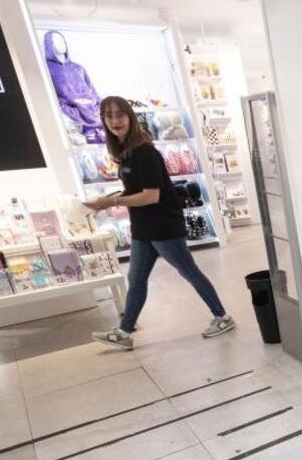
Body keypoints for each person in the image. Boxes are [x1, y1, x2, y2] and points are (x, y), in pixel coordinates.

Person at [85, 96, 235, 350]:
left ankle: (223, 317)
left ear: (130, 117)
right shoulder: (126, 152)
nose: (115, 121)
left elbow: (151, 195)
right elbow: (137, 189)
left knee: (189, 272)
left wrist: (110, 203)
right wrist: (108, 200)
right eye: (109, 116)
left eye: (120, 114)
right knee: (136, 278)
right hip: (144, 228)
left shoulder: (144, 151)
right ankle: (124, 331)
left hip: (163, 227)